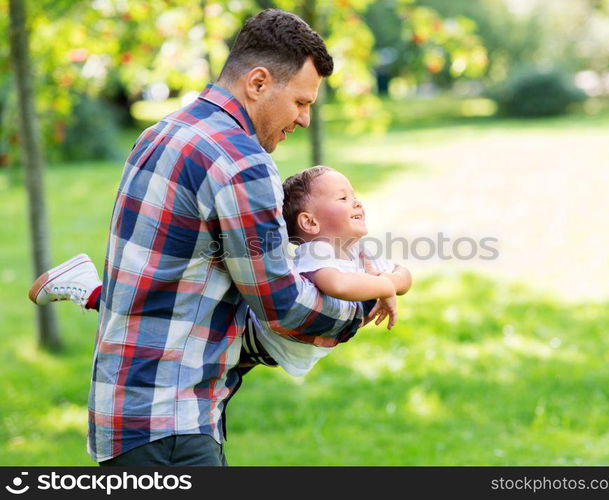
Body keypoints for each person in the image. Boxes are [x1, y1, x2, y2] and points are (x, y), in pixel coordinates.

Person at [28, 9, 383, 466]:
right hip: (173, 427)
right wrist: (366, 302)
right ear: (257, 83)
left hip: (121, 416)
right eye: (300, 102)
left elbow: (146, 281)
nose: (305, 119)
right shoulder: (241, 162)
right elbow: (283, 306)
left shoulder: (159, 135)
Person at [30, 166, 412, 377]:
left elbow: (404, 275)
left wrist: (389, 284)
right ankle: (89, 289)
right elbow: (338, 284)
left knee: (168, 327)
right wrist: (382, 285)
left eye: (354, 193)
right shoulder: (317, 254)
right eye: (343, 197)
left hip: (263, 347)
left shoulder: (359, 252)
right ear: (310, 223)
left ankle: (91, 289)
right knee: (167, 329)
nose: (356, 200)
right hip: (251, 338)